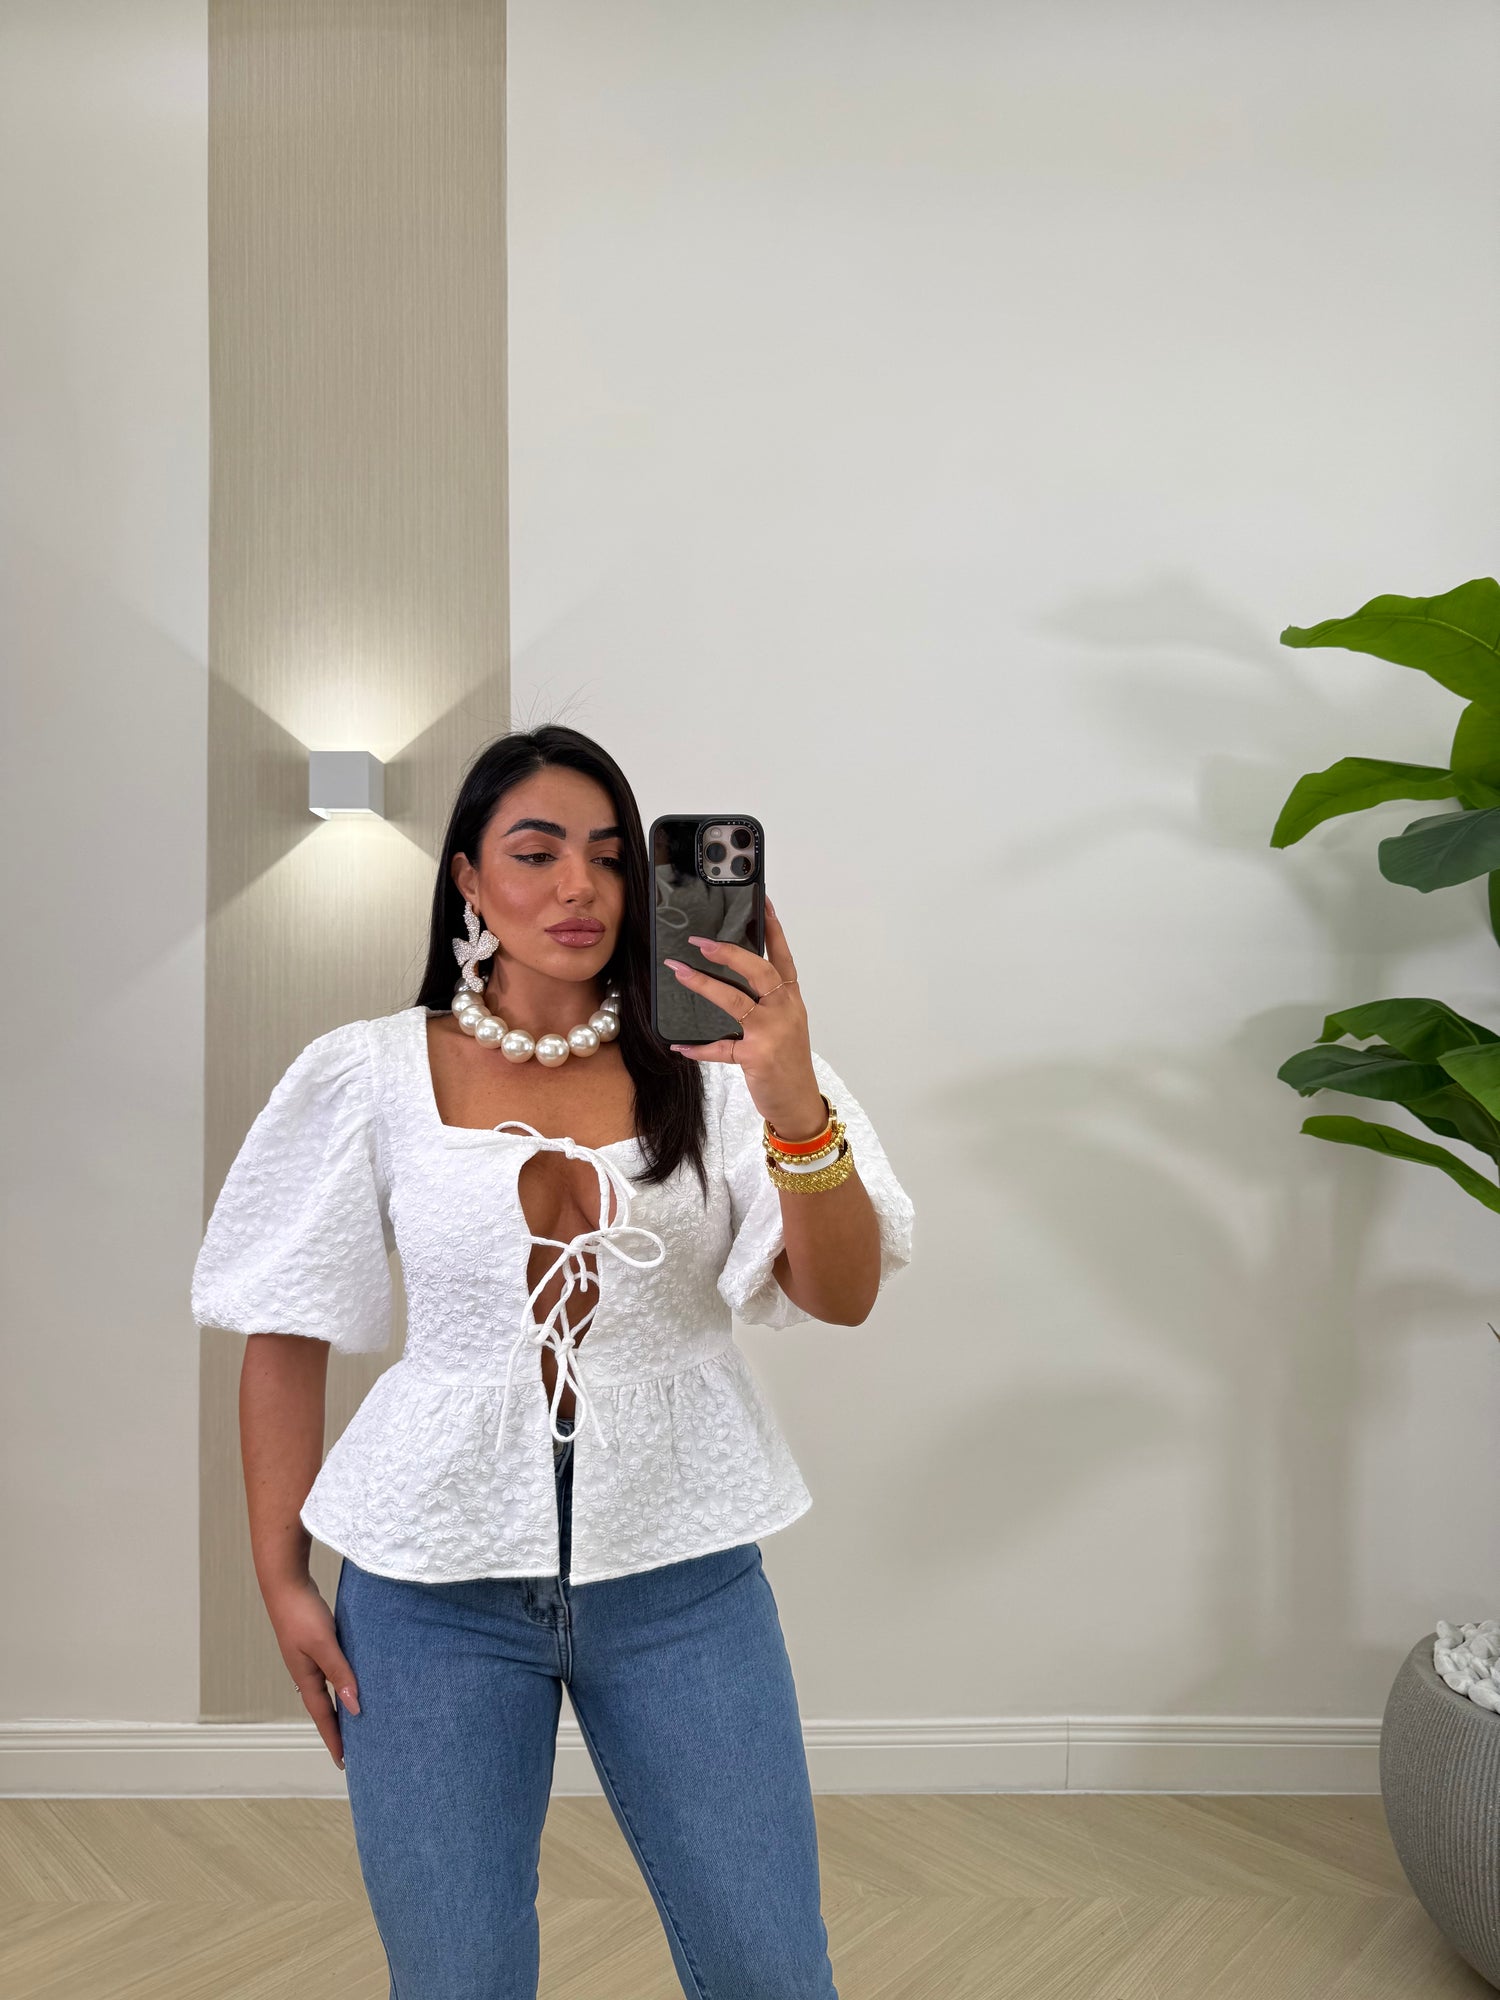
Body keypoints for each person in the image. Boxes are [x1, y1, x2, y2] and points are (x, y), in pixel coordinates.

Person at [191, 724, 915, 2000]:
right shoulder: (369, 1071)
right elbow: (286, 1327)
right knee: (458, 1978)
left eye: (609, 855)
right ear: (469, 877)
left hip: (684, 1573)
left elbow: (842, 1293)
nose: (579, 885)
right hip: (428, 1587)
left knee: (771, 1969)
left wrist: (792, 1096)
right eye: (536, 852)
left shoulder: (727, 1069)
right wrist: (278, 1574)